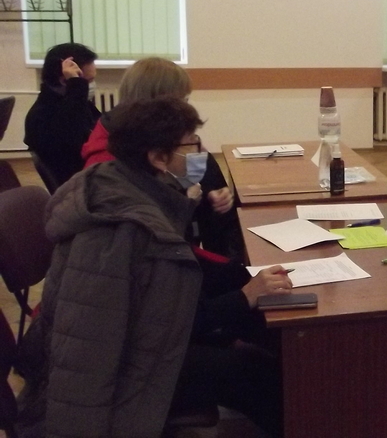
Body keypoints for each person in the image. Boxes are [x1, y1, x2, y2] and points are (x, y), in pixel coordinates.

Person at [16, 98, 293, 437]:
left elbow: (174, 281)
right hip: (123, 371)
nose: (200, 154)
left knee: (266, 324)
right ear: (159, 158)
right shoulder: (122, 227)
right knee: (250, 371)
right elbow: (146, 328)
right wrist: (244, 296)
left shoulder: (132, 186)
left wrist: (242, 276)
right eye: (191, 145)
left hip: (138, 342)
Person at [81, 57, 242, 258]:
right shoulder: (108, 163)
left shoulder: (139, 136)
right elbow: (151, 238)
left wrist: (210, 195)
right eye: (182, 101)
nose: (186, 108)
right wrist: (185, 202)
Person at [23, 43, 101, 189]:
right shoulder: (42, 116)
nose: (91, 85)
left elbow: (101, 126)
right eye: (88, 81)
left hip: (93, 176)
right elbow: (75, 145)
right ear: (65, 80)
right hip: (83, 187)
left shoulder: (73, 102)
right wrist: (76, 85)